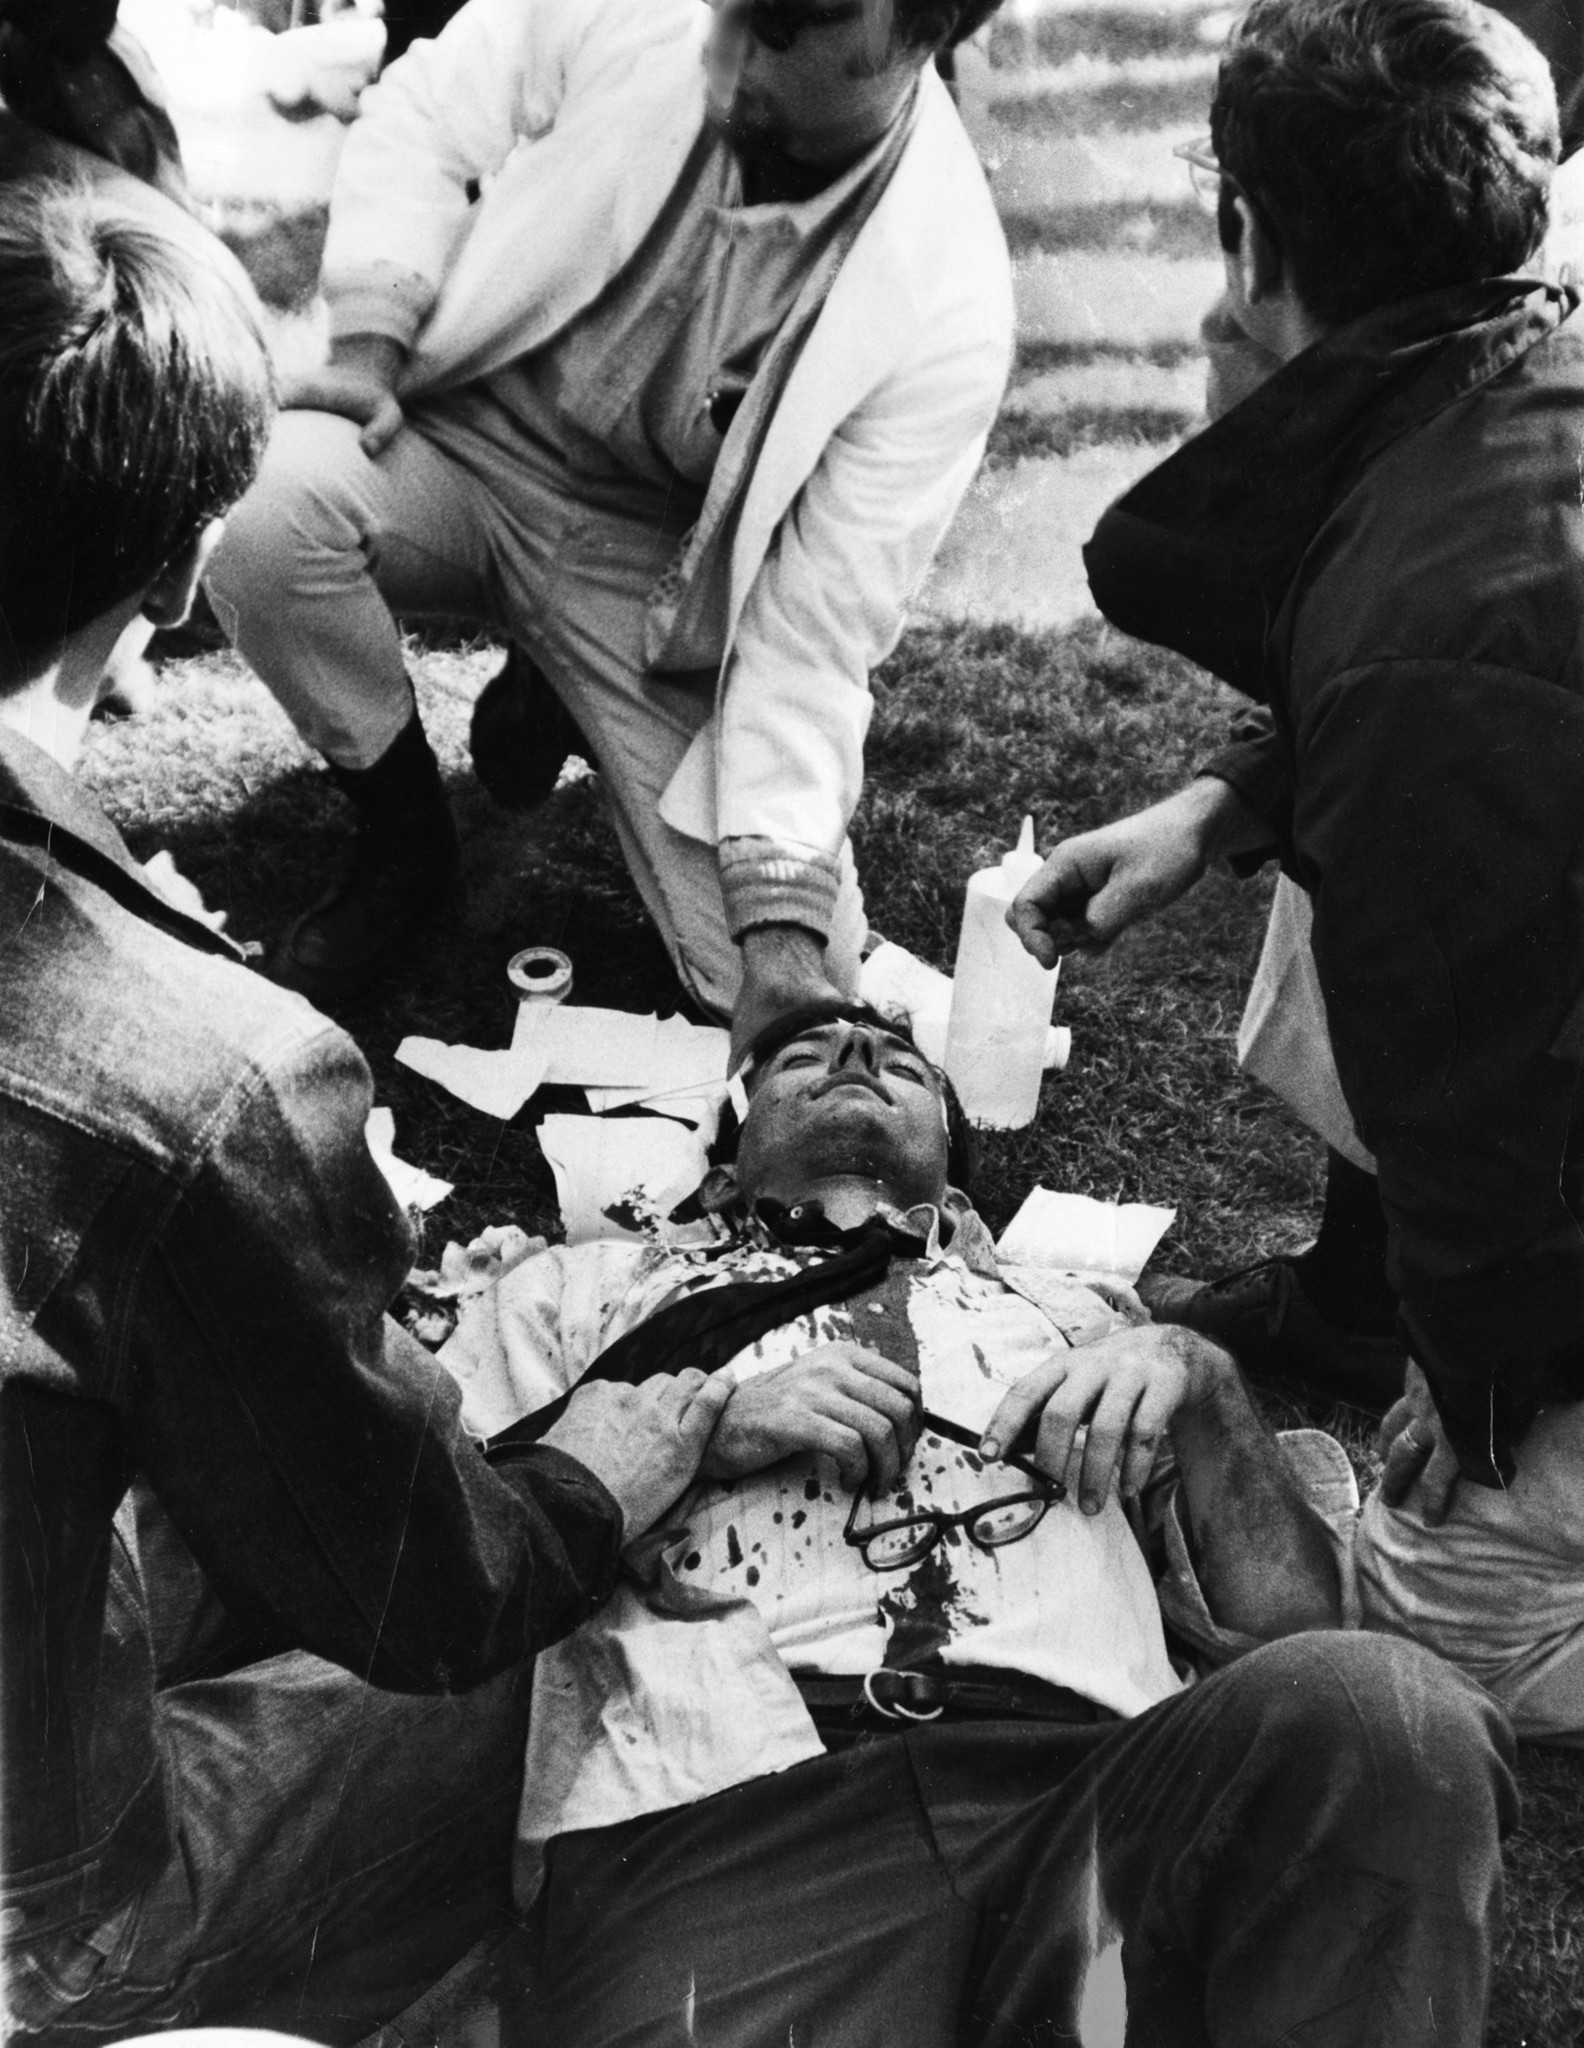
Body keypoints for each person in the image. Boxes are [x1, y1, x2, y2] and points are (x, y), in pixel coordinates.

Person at [0, 170, 732, 2042]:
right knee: (566, 1650)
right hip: (41, 1914)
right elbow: (428, 1588)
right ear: (175, 574)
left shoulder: (162, 1036)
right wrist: (610, 1473)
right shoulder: (183, 1067)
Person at [437, 1002, 1516, 2046]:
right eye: (802, 1054)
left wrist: (1207, 1386)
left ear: (954, 1178)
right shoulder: (580, 1291)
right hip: (729, 1808)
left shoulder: (1079, 1316)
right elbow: (436, 1553)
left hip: (1097, 1793)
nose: (860, 1046)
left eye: (904, 1064)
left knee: (1389, 1717)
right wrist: (693, 1436)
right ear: (724, 1164)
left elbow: (1296, 1629)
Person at [1009, 0, 1584, 1742]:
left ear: (1247, 238)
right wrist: (1218, 805)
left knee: (1421, 1674)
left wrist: (1474, 1385)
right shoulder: (1521, 384)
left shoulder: (1423, 654)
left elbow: (1482, 1113)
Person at [204, 0, 1015, 1051]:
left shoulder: (949, 299)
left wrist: (779, 934)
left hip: (653, 575)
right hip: (464, 441)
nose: (721, 50)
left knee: (777, 982)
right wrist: (370, 344)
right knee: (262, 516)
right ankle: (404, 833)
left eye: (780, 29)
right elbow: (426, 107)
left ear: (925, 34)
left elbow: (814, 631)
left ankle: (562, 688)